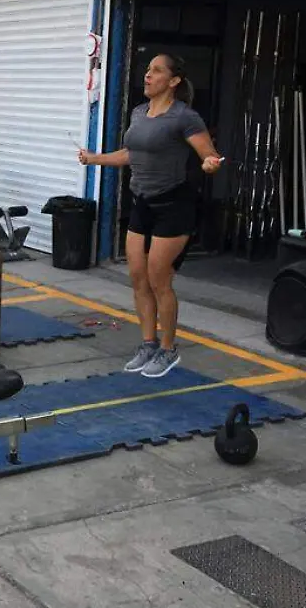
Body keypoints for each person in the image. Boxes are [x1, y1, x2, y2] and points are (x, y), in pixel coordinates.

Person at [78, 54, 222, 378]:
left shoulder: (185, 117)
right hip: (141, 202)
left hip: (174, 205)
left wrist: (210, 163)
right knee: (138, 277)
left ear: (173, 81)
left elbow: (208, 154)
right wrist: (93, 158)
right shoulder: (139, 113)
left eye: (156, 71)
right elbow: (132, 153)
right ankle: (148, 343)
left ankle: (169, 350)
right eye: (147, 70)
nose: (147, 75)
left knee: (160, 280)